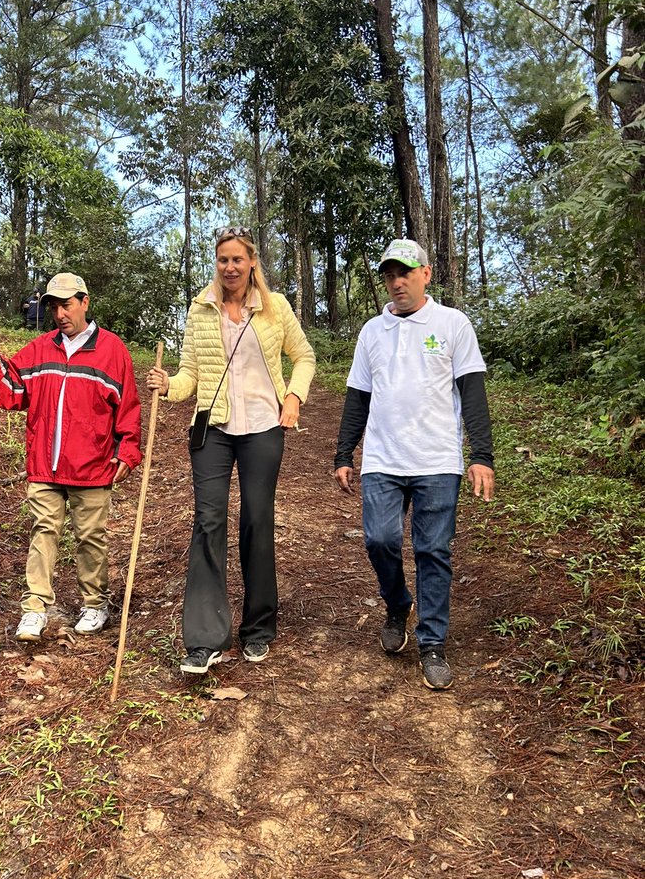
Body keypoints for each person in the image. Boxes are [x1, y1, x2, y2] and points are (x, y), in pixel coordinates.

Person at [146, 227, 316, 676]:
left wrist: (294, 398)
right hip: (214, 428)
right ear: (216, 263)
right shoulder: (201, 309)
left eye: (238, 259)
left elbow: (305, 357)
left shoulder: (275, 307)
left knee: (257, 520)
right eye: (223, 259)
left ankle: (258, 627)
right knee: (208, 521)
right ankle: (205, 639)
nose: (230, 267)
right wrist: (169, 388)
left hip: (263, 426)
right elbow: (188, 375)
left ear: (252, 261)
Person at [334, 238, 495, 691]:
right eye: (389, 274)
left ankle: (432, 643)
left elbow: (473, 393)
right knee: (380, 539)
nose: (397, 282)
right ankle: (396, 603)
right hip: (383, 458)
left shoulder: (452, 324)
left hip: (438, 459)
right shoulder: (372, 331)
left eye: (405, 272)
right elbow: (358, 396)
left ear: (426, 273)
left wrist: (481, 455)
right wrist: (344, 452)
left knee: (433, 551)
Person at [0, 272, 141, 642]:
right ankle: (34, 609)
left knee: (91, 537)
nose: (60, 313)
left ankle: (95, 604)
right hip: (45, 465)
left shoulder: (113, 351)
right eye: (54, 306)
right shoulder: (39, 349)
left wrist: (127, 452)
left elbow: (128, 407)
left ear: (85, 302)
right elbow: (12, 390)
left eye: (66, 305)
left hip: (93, 466)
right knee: (43, 533)